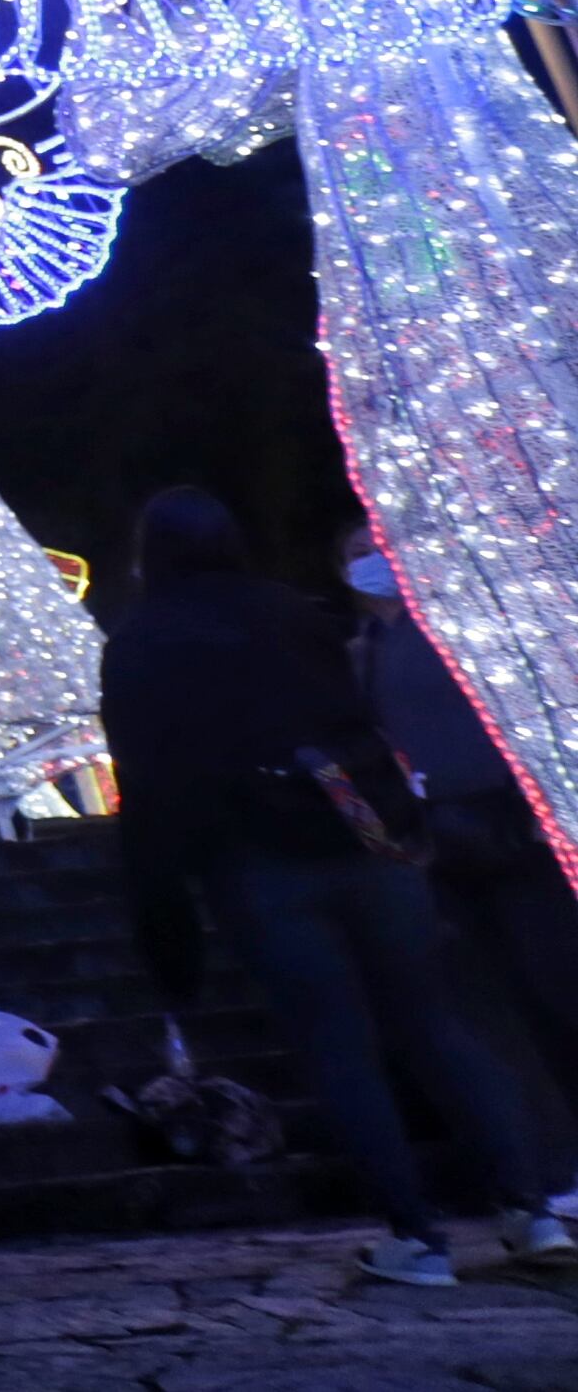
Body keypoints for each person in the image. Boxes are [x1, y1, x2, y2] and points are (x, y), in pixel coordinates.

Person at [112, 485, 571, 1288]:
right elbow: (351, 721)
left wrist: (165, 915)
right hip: (359, 833)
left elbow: (149, 785)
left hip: (250, 858)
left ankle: (417, 1235)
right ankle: (529, 1208)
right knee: (437, 1023)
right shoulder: (289, 611)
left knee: (337, 1046)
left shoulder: (141, 640)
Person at [345, 517, 578, 1114]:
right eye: (358, 552)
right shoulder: (365, 650)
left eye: (378, 546)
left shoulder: (453, 626)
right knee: (517, 996)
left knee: (555, 983)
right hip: (445, 837)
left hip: (508, 820)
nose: (372, 557)